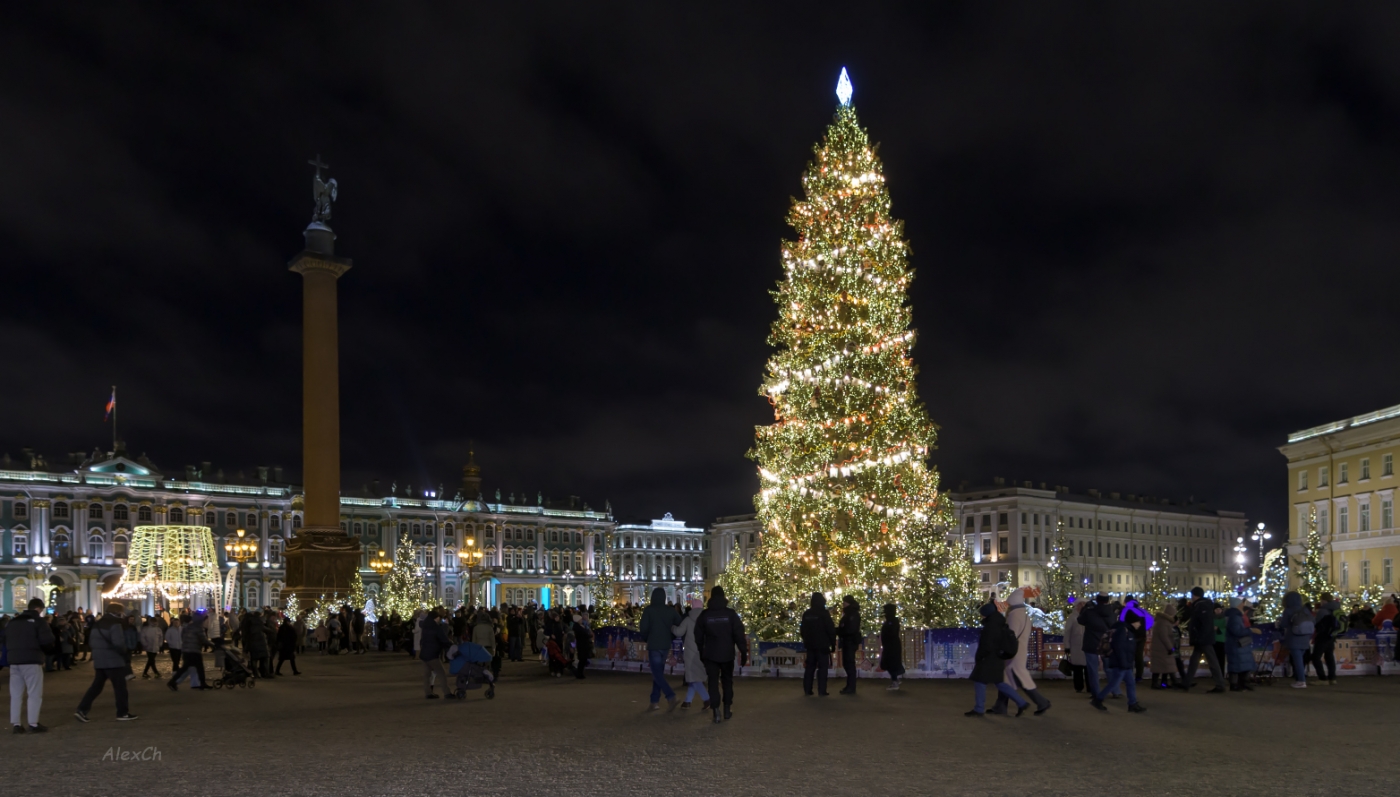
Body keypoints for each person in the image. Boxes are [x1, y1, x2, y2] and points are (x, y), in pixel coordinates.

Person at [74, 603, 138, 723]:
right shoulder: (115, 624)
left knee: (96, 687)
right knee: (120, 688)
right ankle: (122, 712)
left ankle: (81, 710)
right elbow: (119, 643)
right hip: (114, 661)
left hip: (100, 660)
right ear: (118, 612)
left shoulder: (97, 624)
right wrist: (125, 653)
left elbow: (91, 643)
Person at [694, 585, 748, 723]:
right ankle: (727, 709)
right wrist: (743, 651)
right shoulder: (730, 614)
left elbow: (698, 635)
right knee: (727, 681)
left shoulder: (705, 615)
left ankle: (716, 711)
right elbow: (739, 634)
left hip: (711, 654)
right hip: (727, 653)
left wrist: (701, 651)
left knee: (712, 682)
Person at [993, 589, 1050, 714]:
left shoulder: (1014, 615)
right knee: (1009, 679)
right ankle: (1000, 707)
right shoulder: (1024, 615)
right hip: (1020, 650)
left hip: (1013, 653)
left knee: (1016, 679)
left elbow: (1011, 635)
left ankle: (1041, 702)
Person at [965, 600, 1026, 717]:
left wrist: (979, 656)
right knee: (999, 683)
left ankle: (979, 708)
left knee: (980, 681)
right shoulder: (999, 622)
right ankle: (1021, 702)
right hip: (997, 657)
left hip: (988, 658)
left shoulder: (990, 625)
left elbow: (986, 644)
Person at [4, 598, 55, 733]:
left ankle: (16, 724)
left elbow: (3, 639)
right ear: (39, 609)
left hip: (14, 661)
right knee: (34, 693)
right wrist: (48, 652)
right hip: (32, 660)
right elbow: (47, 641)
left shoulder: (13, 622)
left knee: (15, 694)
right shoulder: (39, 622)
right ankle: (33, 723)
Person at [638, 587, 681, 711]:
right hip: (665, 645)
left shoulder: (649, 610)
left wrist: (648, 638)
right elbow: (679, 623)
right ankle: (654, 701)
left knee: (656, 673)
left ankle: (670, 696)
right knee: (658, 673)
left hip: (654, 645)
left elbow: (643, 628)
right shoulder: (670, 611)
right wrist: (671, 636)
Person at [1182, 587, 1227, 693]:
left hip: (1203, 638)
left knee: (1211, 660)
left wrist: (1198, 635)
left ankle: (1220, 684)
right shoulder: (1204, 605)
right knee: (1197, 660)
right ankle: (1186, 682)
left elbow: (1203, 624)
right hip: (1203, 637)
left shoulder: (1201, 606)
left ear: (1194, 595)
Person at [1100, 612, 1146, 713]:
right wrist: (1124, 662)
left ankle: (1132, 704)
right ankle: (1099, 699)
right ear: (1133, 622)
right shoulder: (1123, 630)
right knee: (1115, 683)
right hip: (1121, 663)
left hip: (1124, 663)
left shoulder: (1126, 630)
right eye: (1138, 622)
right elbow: (1120, 647)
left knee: (1130, 683)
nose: (1140, 624)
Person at [671, 598, 710, 709]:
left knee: (693, 678)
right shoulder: (705, 619)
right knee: (694, 677)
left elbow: (679, 632)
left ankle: (707, 699)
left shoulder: (688, 619)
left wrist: (672, 627)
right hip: (702, 651)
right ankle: (687, 701)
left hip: (690, 653)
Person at [1077, 593, 1113, 701]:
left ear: (1097, 600)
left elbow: (1080, 620)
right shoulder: (1111, 611)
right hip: (1106, 642)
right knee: (1109, 668)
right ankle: (1115, 690)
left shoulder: (1090, 611)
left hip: (1091, 642)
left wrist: (1085, 609)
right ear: (1108, 600)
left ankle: (1096, 692)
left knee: (1093, 670)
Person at [799, 592, 836, 697]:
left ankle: (807, 689)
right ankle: (822, 690)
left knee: (810, 667)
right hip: (822, 645)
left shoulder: (807, 614)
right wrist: (832, 644)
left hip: (810, 645)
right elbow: (830, 629)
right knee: (823, 668)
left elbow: (803, 629)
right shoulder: (824, 613)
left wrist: (806, 639)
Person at [1276, 591, 1314, 688]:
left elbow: (1284, 624)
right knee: (1300, 660)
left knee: (1298, 661)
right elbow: (1313, 620)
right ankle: (1299, 679)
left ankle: (1301, 681)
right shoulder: (1305, 610)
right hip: (1305, 637)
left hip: (1294, 638)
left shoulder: (1288, 610)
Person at [167, 612, 210, 691]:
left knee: (185, 668)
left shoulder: (187, 627)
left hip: (186, 650)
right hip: (194, 650)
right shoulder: (198, 628)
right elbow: (203, 639)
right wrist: (212, 644)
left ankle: (173, 681)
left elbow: (182, 637)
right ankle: (202, 683)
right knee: (199, 667)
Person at [419, 608, 453, 699]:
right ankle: (447, 692)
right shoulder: (436, 628)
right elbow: (444, 639)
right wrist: (451, 645)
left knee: (427, 675)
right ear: (435, 618)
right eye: (438, 618)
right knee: (441, 673)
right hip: (432, 654)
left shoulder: (425, 626)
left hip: (424, 654)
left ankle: (428, 693)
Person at [1223, 597, 1255, 691]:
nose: (1243, 605)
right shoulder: (1235, 616)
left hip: (1236, 644)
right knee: (1237, 665)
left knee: (1239, 664)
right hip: (1237, 644)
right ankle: (1236, 684)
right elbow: (1237, 631)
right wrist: (1249, 630)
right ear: (1238, 605)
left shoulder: (1234, 615)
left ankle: (1240, 683)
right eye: (1241, 603)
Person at [1310, 594, 1340, 685]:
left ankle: (1322, 678)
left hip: (1322, 636)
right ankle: (1332, 678)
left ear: (1324, 600)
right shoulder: (1337, 609)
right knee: (1329, 656)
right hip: (1332, 636)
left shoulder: (1322, 611)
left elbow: (1315, 623)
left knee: (1315, 657)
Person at [836, 596, 863, 695]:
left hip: (849, 642)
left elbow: (850, 629)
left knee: (849, 664)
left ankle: (851, 687)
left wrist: (839, 631)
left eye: (845, 602)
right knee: (847, 664)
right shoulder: (850, 613)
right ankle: (850, 686)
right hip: (848, 641)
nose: (843, 603)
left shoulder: (852, 614)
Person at [1150, 604, 1179, 689]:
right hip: (1162, 648)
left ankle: (1163, 683)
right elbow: (1164, 636)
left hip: (1161, 647)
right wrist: (1170, 647)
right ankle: (1157, 683)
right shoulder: (1164, 623)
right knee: (1160, 666)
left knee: (1163, 666)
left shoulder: (1162, 621)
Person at [1065, 600, 1087, 693]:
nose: (1082, 606)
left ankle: (1090, 687)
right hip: (1076, 646)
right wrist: (1067, 645)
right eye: (1080, 604)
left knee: (1088, 668)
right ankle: (1078, 687)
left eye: (1084, 604)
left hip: (1086, 645)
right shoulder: (1072, 617)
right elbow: (1067, 632)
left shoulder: (1087, 616)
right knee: (1077, 668)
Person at [572, 613, 593, 679]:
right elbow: (583, 635)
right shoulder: (578, 628)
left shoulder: (580, 626)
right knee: (582, 660)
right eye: (580, 619)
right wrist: (589, 635)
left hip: (583, 644)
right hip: (582, 645)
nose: (582, 620)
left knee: (583, 660)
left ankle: (580, 673)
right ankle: (579, 673)